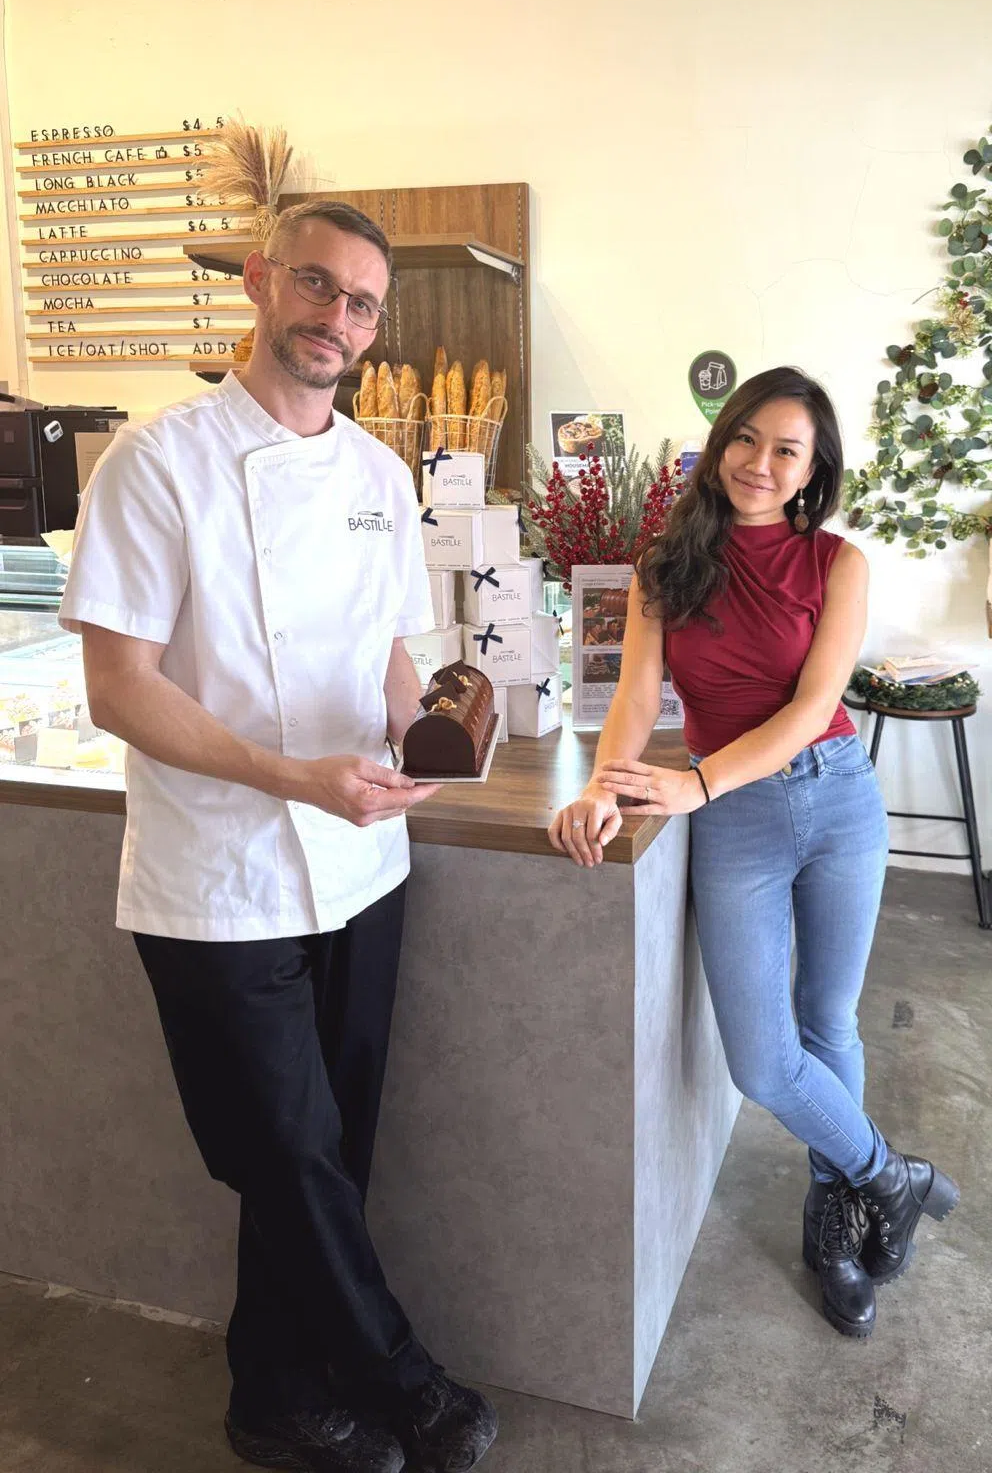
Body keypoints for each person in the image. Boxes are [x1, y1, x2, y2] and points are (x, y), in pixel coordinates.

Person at [59, 199, 499, 1472]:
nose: (335, 318)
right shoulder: (156, 462)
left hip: (362, 861)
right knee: (290, 1150)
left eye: (360, 304)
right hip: (218, 875)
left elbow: (385, 651)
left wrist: (424, 732)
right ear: (260, 281)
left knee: (325, 1151)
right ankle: (398, 1376)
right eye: (315, 285)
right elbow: (119, 690)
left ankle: (271, 1397)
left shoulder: (375, 474)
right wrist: (288, 777)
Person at [550, 366, 959, 1341]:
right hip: (736, 821)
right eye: (746, 439)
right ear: (719, 442)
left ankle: (834, 1225)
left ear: (812, 470)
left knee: (828, 1022)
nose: (760, 463)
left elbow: (816, 708)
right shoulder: (664, 566)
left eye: (787, 450)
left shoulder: (837, 563)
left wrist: (695, 784)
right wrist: (603, 784)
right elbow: (634, 695)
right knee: (763, 1061)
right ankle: (889, 1177)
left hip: (837, 800)